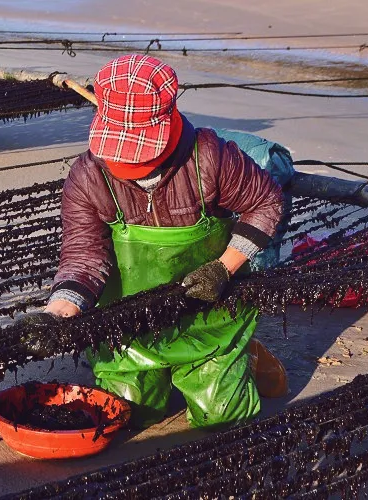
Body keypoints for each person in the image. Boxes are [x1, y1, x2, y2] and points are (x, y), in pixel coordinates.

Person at [43, 55, 284, 430]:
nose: (127, 164)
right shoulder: (87, 177)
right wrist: (61, 307)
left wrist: (224, 267)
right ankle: (155, 378)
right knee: (129, 413)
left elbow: (265, 202)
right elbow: (83, 253)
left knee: (222, 417)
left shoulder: (211, 157)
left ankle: (241, 356)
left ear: (168, 121)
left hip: (210, 315)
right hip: (130, 325)